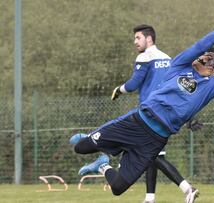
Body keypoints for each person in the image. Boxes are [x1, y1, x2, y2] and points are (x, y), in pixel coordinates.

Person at [72, 10, 214, 203]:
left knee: (118, 188)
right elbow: (202, 44)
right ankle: (94, 140)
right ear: (195, 60)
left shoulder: (212, 86)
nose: (212, 63)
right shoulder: (178, 66)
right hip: (137, 123)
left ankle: (102, 165)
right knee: (81, 148)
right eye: (207, 58)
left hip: (155, 140)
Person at [70, 24, 199, 203]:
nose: (135, 42)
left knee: (152, 156)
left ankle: (180, 190)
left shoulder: (145, 57)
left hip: (145, 118)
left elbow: (133, 84)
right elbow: (181, 90)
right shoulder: (169, 59)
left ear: (149, 38)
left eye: (138, 38)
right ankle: (154, 196)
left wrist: (118, 90)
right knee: (152, 156)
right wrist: (189, 117)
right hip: (164, 118)